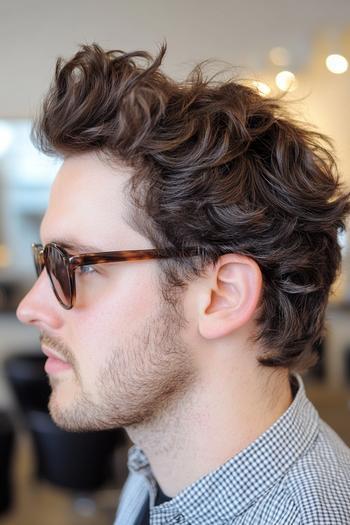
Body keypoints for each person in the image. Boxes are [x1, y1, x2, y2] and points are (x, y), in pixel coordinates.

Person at [16, 42, 350, 525]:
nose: (31, 306)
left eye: (79, 264)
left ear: (222, 296)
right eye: (47, 260)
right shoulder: (156, 467)